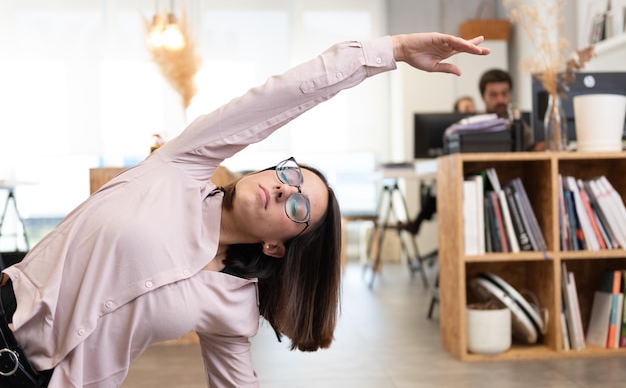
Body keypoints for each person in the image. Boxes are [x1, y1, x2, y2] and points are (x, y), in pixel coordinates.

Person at [0, 32, 489, 387]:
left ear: (277, 245)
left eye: (298, 205)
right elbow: (283, 94)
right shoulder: (179, 168)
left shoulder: (235, 305)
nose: (282, 188)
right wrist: (395, 51)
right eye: (290, 176)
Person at [479, 68, 542, 151]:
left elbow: (534, 148)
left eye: (504, 93)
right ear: (483, 97)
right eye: (493, 95)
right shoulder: (474, 127)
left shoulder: (519, 126)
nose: (500, 100)